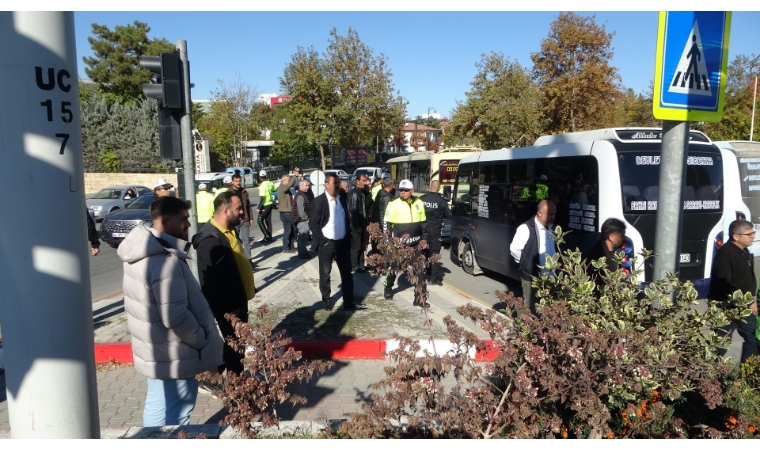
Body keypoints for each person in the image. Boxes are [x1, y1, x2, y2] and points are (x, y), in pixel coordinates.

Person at [117, 196, 224, 427]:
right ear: (165, 222)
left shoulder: (138, 252)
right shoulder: (166, 261)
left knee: (157, 403)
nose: (188, 224)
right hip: (177, 352)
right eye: (183, 218)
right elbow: (174, 315)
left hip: (155, 350)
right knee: (179, 409)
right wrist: (201, 340)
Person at [192, 191, 256, 375]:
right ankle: (235, 386)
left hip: (238, 301)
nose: (242, 212)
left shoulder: (229, 229)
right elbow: (212, 281)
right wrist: (231, 312)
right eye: (239, 209)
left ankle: (226, 375)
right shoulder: (210, 240)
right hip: (230, 307)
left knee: (235, 345)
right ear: (227, 211)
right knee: (235, 345)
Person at [309, 173, 362, 311]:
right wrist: (322, 240)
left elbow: (347, 217)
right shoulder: (318, 201)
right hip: (327, 244)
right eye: (335, 182)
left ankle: (349, 302)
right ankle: (327, 301)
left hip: (342, 244)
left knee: (347, 274)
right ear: (326, 184)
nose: (338, 185)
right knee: (325, 275)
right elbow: (313, 225)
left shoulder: (342, 198)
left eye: (339, 182)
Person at [708, 219, 759, 363]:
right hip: (726, 307)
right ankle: (707, 373)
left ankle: (747, 372)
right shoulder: (726, 254)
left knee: (752, 337)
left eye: (753, 233)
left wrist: (751, 300)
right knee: (720, 342)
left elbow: (745, 279)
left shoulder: (744, 251)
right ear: (736, 237)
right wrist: (745, 302)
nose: (753, 236)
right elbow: (724, 283)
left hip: (745, 305)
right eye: (749, 234)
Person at [383, 179, 428, 306]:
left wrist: (425, 239)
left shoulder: (419, 202)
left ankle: (420, 299)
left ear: (412, 191)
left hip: (416, 244)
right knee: (394, 268)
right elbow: (386, 224)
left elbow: (424, 223)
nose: (403, 193)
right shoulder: (393, 203)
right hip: (399, 245)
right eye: (401, 190)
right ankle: (388, 287)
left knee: (419, 271)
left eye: (406, 191)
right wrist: (388, 242)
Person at [509, 200, 557, 313]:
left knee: (547, 310)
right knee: (530, 309)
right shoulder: (525, 228)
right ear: (540, 213)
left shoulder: (552, 228)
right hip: (532, 278)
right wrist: (526, 264)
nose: (553, 217)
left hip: (550, 278)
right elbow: (514, 249)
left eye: (554, 214)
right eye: (550, 214)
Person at [420, 180, 452, 286]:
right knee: (434, 252)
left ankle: (421, 274)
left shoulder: (422, 199)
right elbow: (449, 215)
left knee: (422, 251)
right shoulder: (441, 201)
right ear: (438, 188)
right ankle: (432, 278)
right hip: (435, 229)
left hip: (422, 229)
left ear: (429, 186)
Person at [582, 218, 627, 285]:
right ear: (611, 237)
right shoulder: (598, 255)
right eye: (622, 236)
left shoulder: (609, 251)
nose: (624, 238)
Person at [347, 174, 370, 272]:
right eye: (363, 181)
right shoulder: (354, 193)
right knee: (356, 246)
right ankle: (354, 265)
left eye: (366, 181)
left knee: (362, 245)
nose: (365, 183)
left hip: (362, 223)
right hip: (356, 225)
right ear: (357, 181)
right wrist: (357, 226)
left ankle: (361, 264)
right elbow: (354, 211)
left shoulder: (361, 192)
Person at [368, 177, 395, 257]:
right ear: (391, 185)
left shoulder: (380, 193)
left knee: (376, 246)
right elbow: (385, 214)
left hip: (376, 222)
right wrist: (385, 229)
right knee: (382, 247)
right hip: (382, 224)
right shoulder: (387, 197)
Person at [231, 173, 253, 260]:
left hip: (244, 219)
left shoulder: (244, 191)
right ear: (232, 182)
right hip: (234, 220)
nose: (238, 183)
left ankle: (249, 260)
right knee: (235, 241)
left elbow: (248, 206)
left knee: (246, 241)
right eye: (236, 181)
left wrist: (250, 218)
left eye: (239, 181)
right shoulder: (229, 193)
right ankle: (237, 260)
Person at [277, 173, 298, 254]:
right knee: (287, 231)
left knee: (292, 230)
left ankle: (291, 246)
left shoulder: (286, 188)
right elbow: (288, 186)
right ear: (284, 181)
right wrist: (294, 176)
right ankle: (285, 248)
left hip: (289, 212)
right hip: (285, 213)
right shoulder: (282, 187)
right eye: (288, 180)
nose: (290, 182)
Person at [292, 179, 312, 259]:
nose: (308, 187)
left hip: (302, 219)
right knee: (302, 237)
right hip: (301, 220)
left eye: (308, 185)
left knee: (303, 237)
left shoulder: (303, 194)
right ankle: (302, 253)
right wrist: (305, 218)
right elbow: (301, 209)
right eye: (306, 185)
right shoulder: (300, 195)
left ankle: (302, 252)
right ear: (300, 186)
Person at [256, 170, 276, 242]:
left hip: (265, 205)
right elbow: (275, 189)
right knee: (268, 221)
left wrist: (258, 207)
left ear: (260, 177)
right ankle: (269, 237)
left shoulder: (262, 186)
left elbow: (262, 197)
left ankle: (267, 235)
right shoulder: (270, 183)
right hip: (270, 204)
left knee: (259, 221)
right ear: (266, 176)